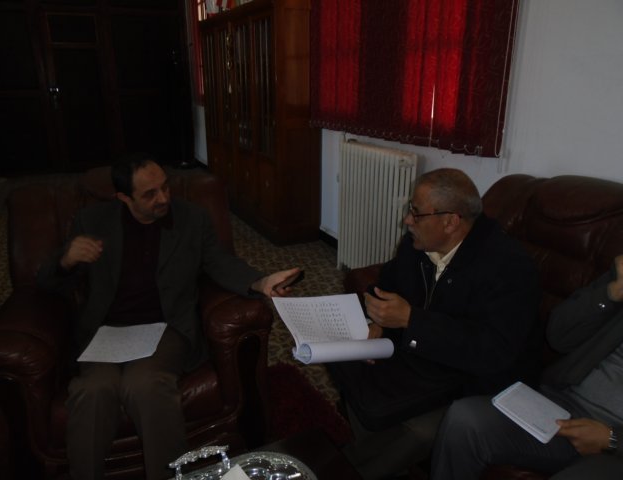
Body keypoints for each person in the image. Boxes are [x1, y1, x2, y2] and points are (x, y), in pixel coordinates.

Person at [37, 153, 301, 480]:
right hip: (107, 331)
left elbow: (219, 262)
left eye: (165, 187)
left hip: (166, 327)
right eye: (149, 194)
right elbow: (47, 284)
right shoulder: (92, 221)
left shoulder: (192, 218)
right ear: (123, 198)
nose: (163, 198)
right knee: (92, 390)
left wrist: (260, 282)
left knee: (147, 384)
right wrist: (67, 260)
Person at [328, 168, 540, 479]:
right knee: (349, 365)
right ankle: (357, 460)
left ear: (450, 221)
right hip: (423, 358)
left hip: (470, 380)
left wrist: (411, 320)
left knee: (419, 431)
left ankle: (347, 470)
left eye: (416, 212)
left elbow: (493, 351)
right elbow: (387, 281)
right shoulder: (417, 244)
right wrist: (378, 320)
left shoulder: (508, 267)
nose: (407, 220)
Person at [431, 255, 623, 480]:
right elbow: (558, 336)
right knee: (465, 419)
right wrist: (612, 293)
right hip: (567, 405)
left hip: (614, 444)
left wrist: (612, 439)